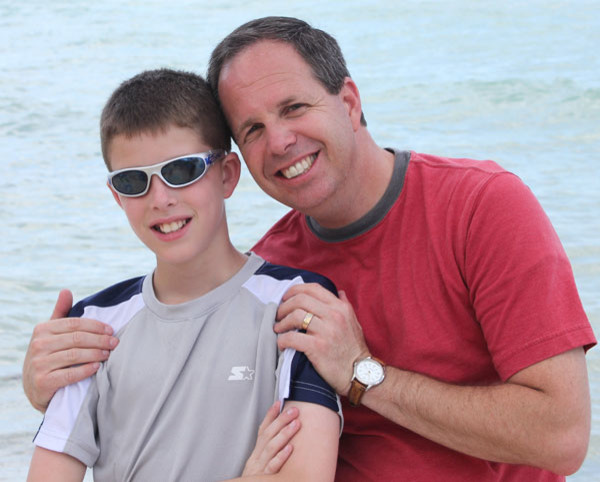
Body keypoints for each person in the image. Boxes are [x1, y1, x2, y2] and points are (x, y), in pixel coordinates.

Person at [23, 16, 596, 481]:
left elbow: (562, 438)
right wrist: (51, 387)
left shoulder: (481, 206)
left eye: (294, 108)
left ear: (348, 101)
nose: (278, 141)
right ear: (236, 163)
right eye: (251, 129)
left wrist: (364, 374)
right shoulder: (275, 274)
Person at [26, 68, 341, 482]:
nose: (160, 199)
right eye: (133, 180)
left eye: (181, 170)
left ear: (227, 174)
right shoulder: (92, 326)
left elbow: (304, 477)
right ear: (117, 196)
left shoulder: (295, 303)